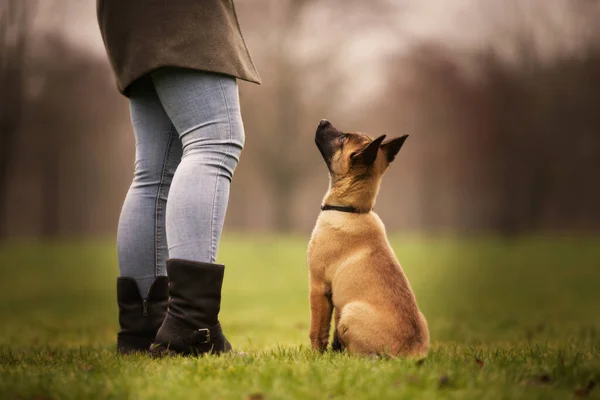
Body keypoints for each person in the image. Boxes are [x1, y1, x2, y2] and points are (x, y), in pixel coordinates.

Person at [96, 0, 261, 356]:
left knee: (153, 172)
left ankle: (145, 329)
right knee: (214, 141)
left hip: (124, 17)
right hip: (181, 12)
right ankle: (190, 325)